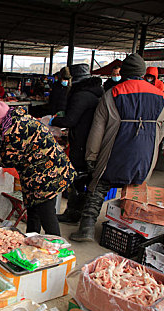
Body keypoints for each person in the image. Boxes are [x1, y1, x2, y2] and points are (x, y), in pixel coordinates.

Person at [72, 53, 164, 242]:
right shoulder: (160, 96)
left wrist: (92, 157)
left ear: (124, 72)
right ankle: (131, 233)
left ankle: (87, 228)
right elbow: (161, 129)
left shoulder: (113, 93)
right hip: (144, 154)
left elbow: (97, 129)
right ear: (142, 72)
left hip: (115, 152)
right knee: (134, 190)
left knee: (97, 186)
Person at [0, 102, 76, 236]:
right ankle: (31, 242)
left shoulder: (14, 130)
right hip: (41, 173)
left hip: (47, 177)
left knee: (47, 215)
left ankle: (57, 251)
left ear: (0, 120)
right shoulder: (22, 118)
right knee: (33, 211)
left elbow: (6, 160)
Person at [49, 63, 104, 223]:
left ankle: (73, 213)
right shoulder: (96, 93)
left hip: (81, 142)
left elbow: (71, 120)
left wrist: (54, 120)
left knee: (77, 177)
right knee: (85, 178)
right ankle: (80, 215)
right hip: (92, 141)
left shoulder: (81, 95)